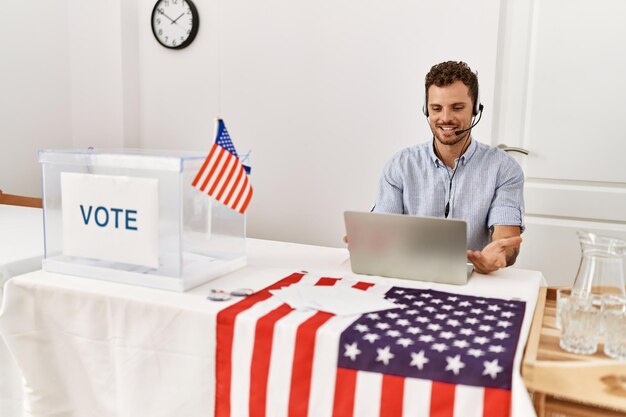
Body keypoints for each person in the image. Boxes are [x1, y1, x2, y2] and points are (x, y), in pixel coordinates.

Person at [370, 60, 524, 274]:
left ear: (475, 109)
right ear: (426, 110)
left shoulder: (504, 168)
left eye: (457, 108)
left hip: (475, 279)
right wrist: (368, 243)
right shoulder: (400, 165)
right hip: (410, 276)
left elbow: (506, 239)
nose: (445, 118)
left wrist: (498, 255)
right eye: (436, 108)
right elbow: (383, 232)